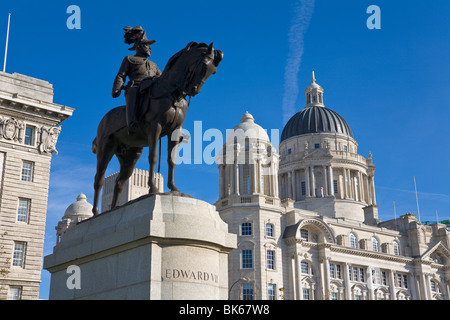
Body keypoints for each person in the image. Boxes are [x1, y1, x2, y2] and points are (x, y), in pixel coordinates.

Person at [112, 26, 161, 133]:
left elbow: (161, 78)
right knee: (132, 92)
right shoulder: (129, 59)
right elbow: (121, 75)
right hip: (136, 86)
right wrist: (117, 88)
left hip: (151, 87)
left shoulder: (154, 65)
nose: (150, 48)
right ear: (139, 46)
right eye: (147, 45)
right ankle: (132, 123)